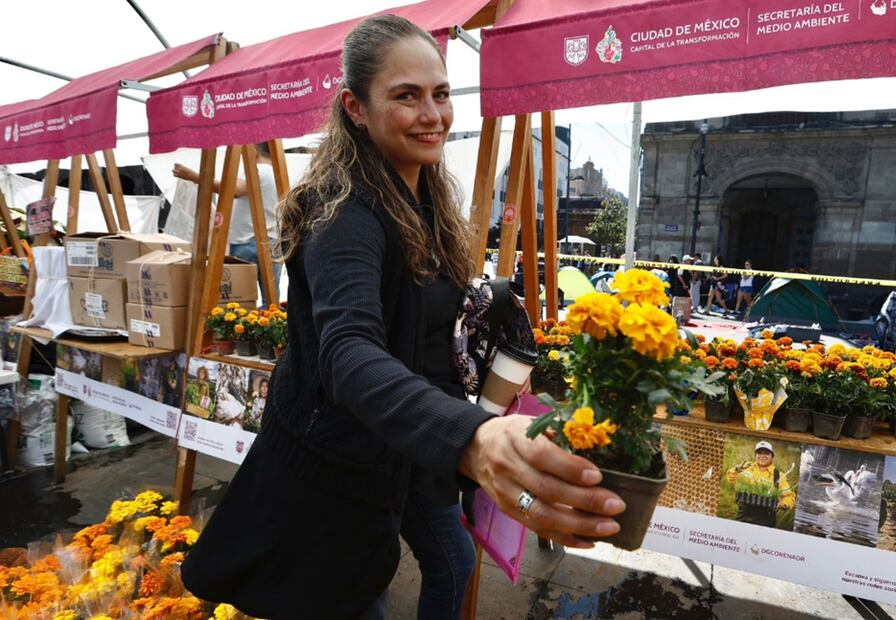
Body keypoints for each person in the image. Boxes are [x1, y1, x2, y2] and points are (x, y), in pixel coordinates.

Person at [180, 16, 624, 620]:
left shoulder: (425, 198)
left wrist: (475, 411)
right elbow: (348, 353)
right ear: (355, 108)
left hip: (402, 448)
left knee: (451, 563)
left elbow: (425, 336)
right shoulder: (344, 214)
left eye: (440, 94)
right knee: (359, 597)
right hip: (333, 474)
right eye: (406, 96)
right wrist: (470, 438)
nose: (432, 114)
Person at [173, 142, 281, 301]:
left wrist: (194, 177)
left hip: (249, 242)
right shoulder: (277, 173)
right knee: (271, 302)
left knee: (239, 301)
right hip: (270, 241)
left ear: (255, 150)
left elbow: (235, 190)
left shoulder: (257, 169)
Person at [726, 441, 796, 527]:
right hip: (743, 516)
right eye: (759, 453)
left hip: (765, 520)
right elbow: (731, 478)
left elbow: (790, 496)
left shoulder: (778, 475)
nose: (762, 456)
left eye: (766, 453)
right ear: (756, 455)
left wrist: (783, 504)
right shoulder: (747, 468)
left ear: (772, 456)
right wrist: (736, 469)